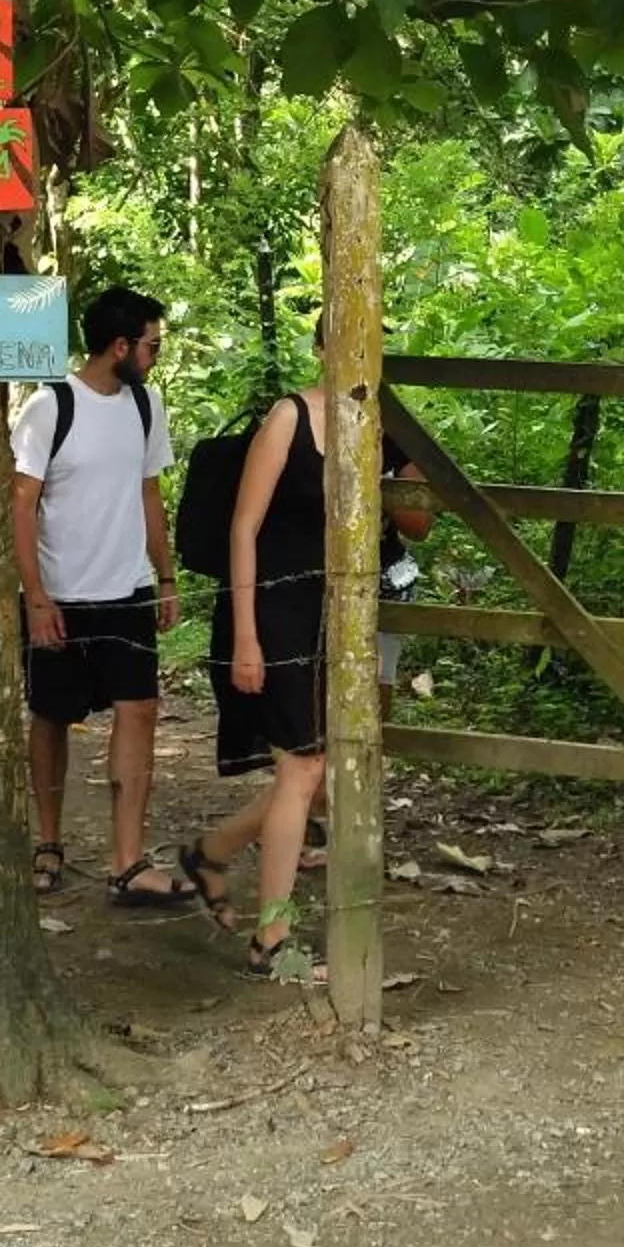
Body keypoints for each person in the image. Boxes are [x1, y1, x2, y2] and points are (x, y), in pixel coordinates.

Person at [180, 348, 428, 976]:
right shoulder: (289, 417)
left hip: (338, 615)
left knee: (317, 767)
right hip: (276, 609)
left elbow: (417, 516)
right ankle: (271, 940)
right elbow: (243, 529)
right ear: (326, 346)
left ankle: (211, 853)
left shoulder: (379, 426)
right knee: (303, 769)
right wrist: (245, 635)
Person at [9, 285, 190, 909]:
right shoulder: (49, 406)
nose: (156, 355)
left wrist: (164, 577)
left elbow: (150, 494)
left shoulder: (146, 406)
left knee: (139, 710)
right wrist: (36, 596)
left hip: (128, 590)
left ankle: (128, 860)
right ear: (120, 345)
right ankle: (49, 843)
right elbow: (22, 503)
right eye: (151, 344)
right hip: (61, 593)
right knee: (52, 716)